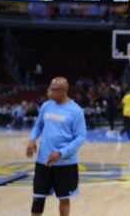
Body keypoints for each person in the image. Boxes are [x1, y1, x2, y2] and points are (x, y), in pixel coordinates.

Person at [26, 77, 87, 216]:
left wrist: (61, 153)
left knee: (64, 199)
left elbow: (81, 138)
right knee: (37, 198)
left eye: (54, 90)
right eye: (50, 88)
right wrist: (32, 140)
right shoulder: (46, 106)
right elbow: (38, 125)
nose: (50, 92)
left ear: (64, 90)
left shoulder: (76, 111)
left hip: (65, 163)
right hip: (43, 161)